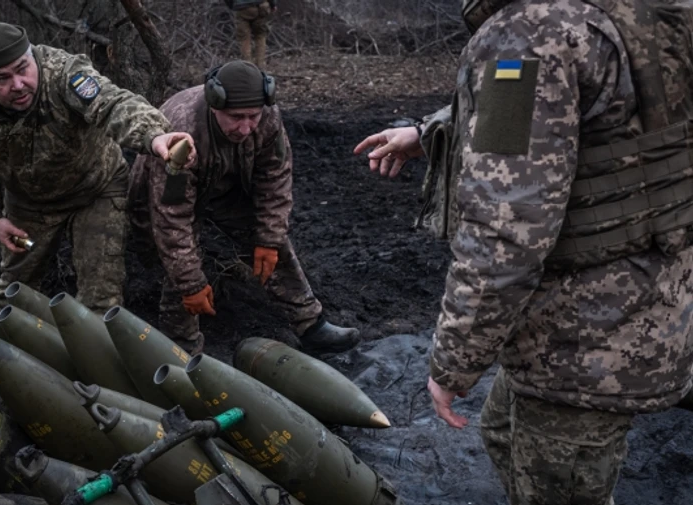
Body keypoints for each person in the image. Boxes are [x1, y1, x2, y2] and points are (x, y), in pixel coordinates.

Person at [354, 0, 693, 503]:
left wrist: (453, 364)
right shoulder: (630, 11)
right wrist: (430, 131)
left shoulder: (529, 32)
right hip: (652, 304)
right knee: (503, 433)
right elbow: (579, 109)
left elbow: (504, 232)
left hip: (579, 336)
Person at [0, 22, 195, 310]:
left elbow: (112, 104)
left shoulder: (63, 73)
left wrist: (155, 135)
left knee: (100, 297)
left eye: (23, 68)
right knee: (13, 293)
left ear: (32, 57)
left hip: (96, 191)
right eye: (1, 78)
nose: (18, 84)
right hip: (28, 204)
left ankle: (95, 351)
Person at [130, 60, 360, 356]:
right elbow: (173, 219)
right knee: (179, 260)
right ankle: (182, 349)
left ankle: (310, 325)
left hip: (224, 183)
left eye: (252, 117)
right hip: (163, 192)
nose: (246, 127)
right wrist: (191, 283)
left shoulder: (266, 116)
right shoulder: (181, 131)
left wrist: (269, 239)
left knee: (273, 244)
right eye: (236, 117)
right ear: (215, 106)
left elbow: (275, 178)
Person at [225, 0, 276, 69]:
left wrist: (232, 5)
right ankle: (260, 66)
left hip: (242, 8)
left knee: (244, 39)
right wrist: (273, 4)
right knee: (260, 36)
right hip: (261, 6)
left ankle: (248, 67)